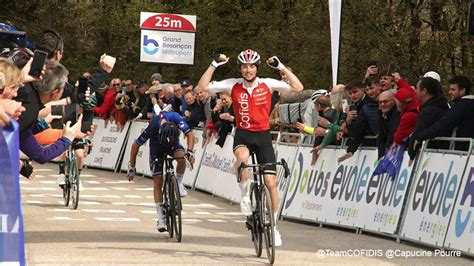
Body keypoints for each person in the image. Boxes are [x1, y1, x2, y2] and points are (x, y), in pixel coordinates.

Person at [197, 49, 304, 247]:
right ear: (240, 68)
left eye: (252, 66)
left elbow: (298, 87)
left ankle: (273, 226)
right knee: (243, 159)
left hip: (263, 136)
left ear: (257, 68)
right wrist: (214, 64)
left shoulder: (267, 83)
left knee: (271, 183)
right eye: (245, 66)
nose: (248, 70)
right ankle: (245, 196)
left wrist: (280, 66)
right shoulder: (232, 84)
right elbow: (202, 87)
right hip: (243, 134)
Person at [127, 111, 195, 232]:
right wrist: (132, 167)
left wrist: (189, 151)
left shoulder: (175, 117)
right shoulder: (153, 125)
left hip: (173, 144)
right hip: (156, 146)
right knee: (158, 181)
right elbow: (135, 146)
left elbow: (190, 134)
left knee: (181, 157)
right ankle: (160, 218)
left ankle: (178, 183)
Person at [414, 75, 473, 151]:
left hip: (461, 152)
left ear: (462, 90)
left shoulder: (460, 107)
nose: (449, 92)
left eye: (453, 90)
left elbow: (442, 125)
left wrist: (421, 136)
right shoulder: (467, 105)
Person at [408, 76, 449, 161]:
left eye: (417, 88)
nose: (415, 91)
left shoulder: (429, 111)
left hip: (432, 156)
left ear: (424, 91)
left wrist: (412, 153)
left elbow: (420, 132)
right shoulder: (439, 105)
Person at [376, 91, 400, 159]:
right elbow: (381, 135)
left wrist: (386, 152)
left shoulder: (398, 113)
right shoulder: (380, 114)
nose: (383, 104)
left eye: (386, 101)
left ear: (393, 101)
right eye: (380, 102)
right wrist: (380, 156)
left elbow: (392, 133)